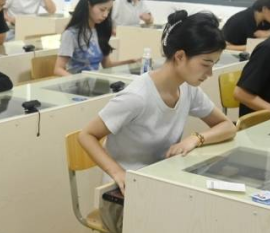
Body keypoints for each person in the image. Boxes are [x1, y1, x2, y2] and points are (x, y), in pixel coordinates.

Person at [78, 11, 237, 193]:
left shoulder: (188, 88)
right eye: (206, 64)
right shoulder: (137, 97)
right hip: (126, 188)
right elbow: (86, 135)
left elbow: (228, 126)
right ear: (180, 56)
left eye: (213, 65)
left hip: (161, 177)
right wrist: (117, 172)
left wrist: (195, 138)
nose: (209, 73)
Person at [55, 0, 130, 76]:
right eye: (102, 9)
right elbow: (58, 69)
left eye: (108, 10)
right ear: (89, 5)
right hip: (75, 83)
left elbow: (107, 65)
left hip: (94, 82)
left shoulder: (100, 30)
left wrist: (131, 62)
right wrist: (77, 80)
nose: (105, 15)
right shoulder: (71, 34)